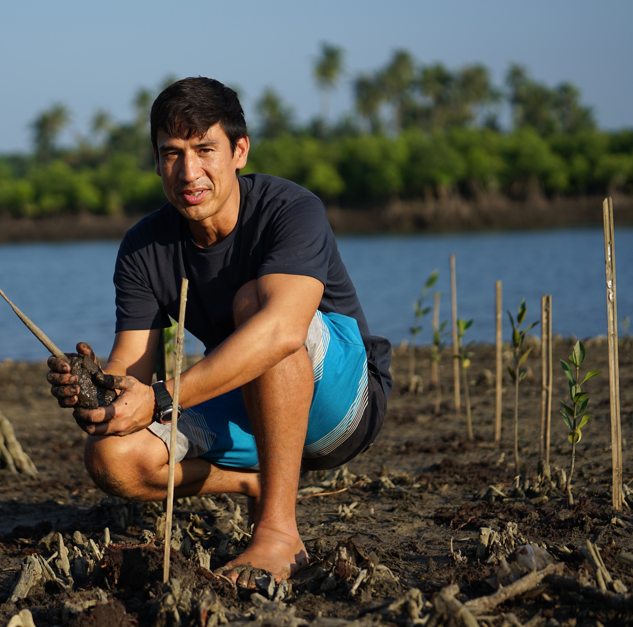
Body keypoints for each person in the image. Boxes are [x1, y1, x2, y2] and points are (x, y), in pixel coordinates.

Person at [47, 76, 391, 585]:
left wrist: (162, 397)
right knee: (111, 457)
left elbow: (282, 332)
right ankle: (253, 483)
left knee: (255, 303)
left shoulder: (291, 209)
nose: (189, 171)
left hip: (342, 405)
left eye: (205, 149)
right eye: (171, 154)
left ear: (239, 151)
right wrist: (99, 393)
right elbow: (133, 370)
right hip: (252, 409)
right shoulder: (144, 247)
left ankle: (278, 532)